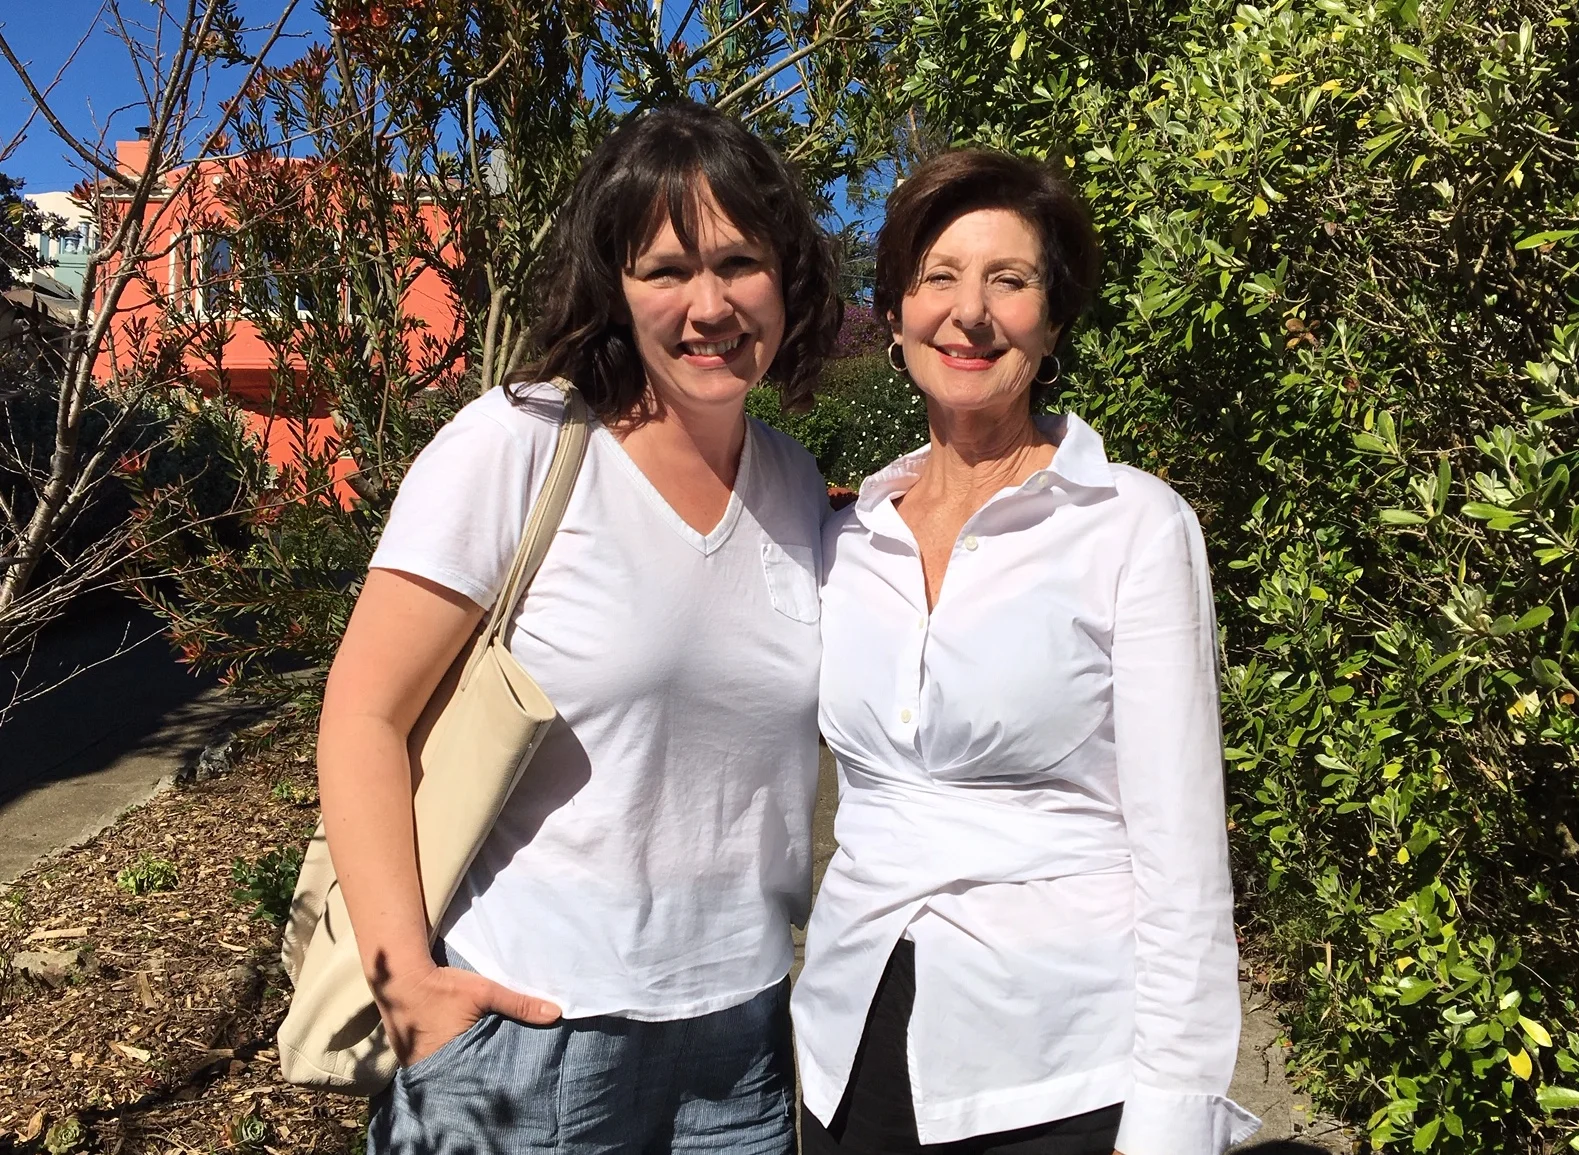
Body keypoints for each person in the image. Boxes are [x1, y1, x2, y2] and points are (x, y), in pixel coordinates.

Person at [316, 101, 840, 1155]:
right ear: (614, 288)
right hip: (528, 1030)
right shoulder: (520, 443)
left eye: (739, 262)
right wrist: (410, 987)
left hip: (742, 1040)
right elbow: (361, 715)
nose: (709, 305)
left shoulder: (795, 486)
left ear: (787, 277)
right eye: (664, 270)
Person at [793, 149, 1261, 1155]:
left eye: (1009, 281)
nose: (971, 313)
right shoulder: (846, 534)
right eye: (939, 278)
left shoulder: (1131, 524)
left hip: (1055, 1071)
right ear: (898, 310)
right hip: (847, 1045)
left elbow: (1182, 856)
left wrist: (1175, 1119)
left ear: (1050, 325)